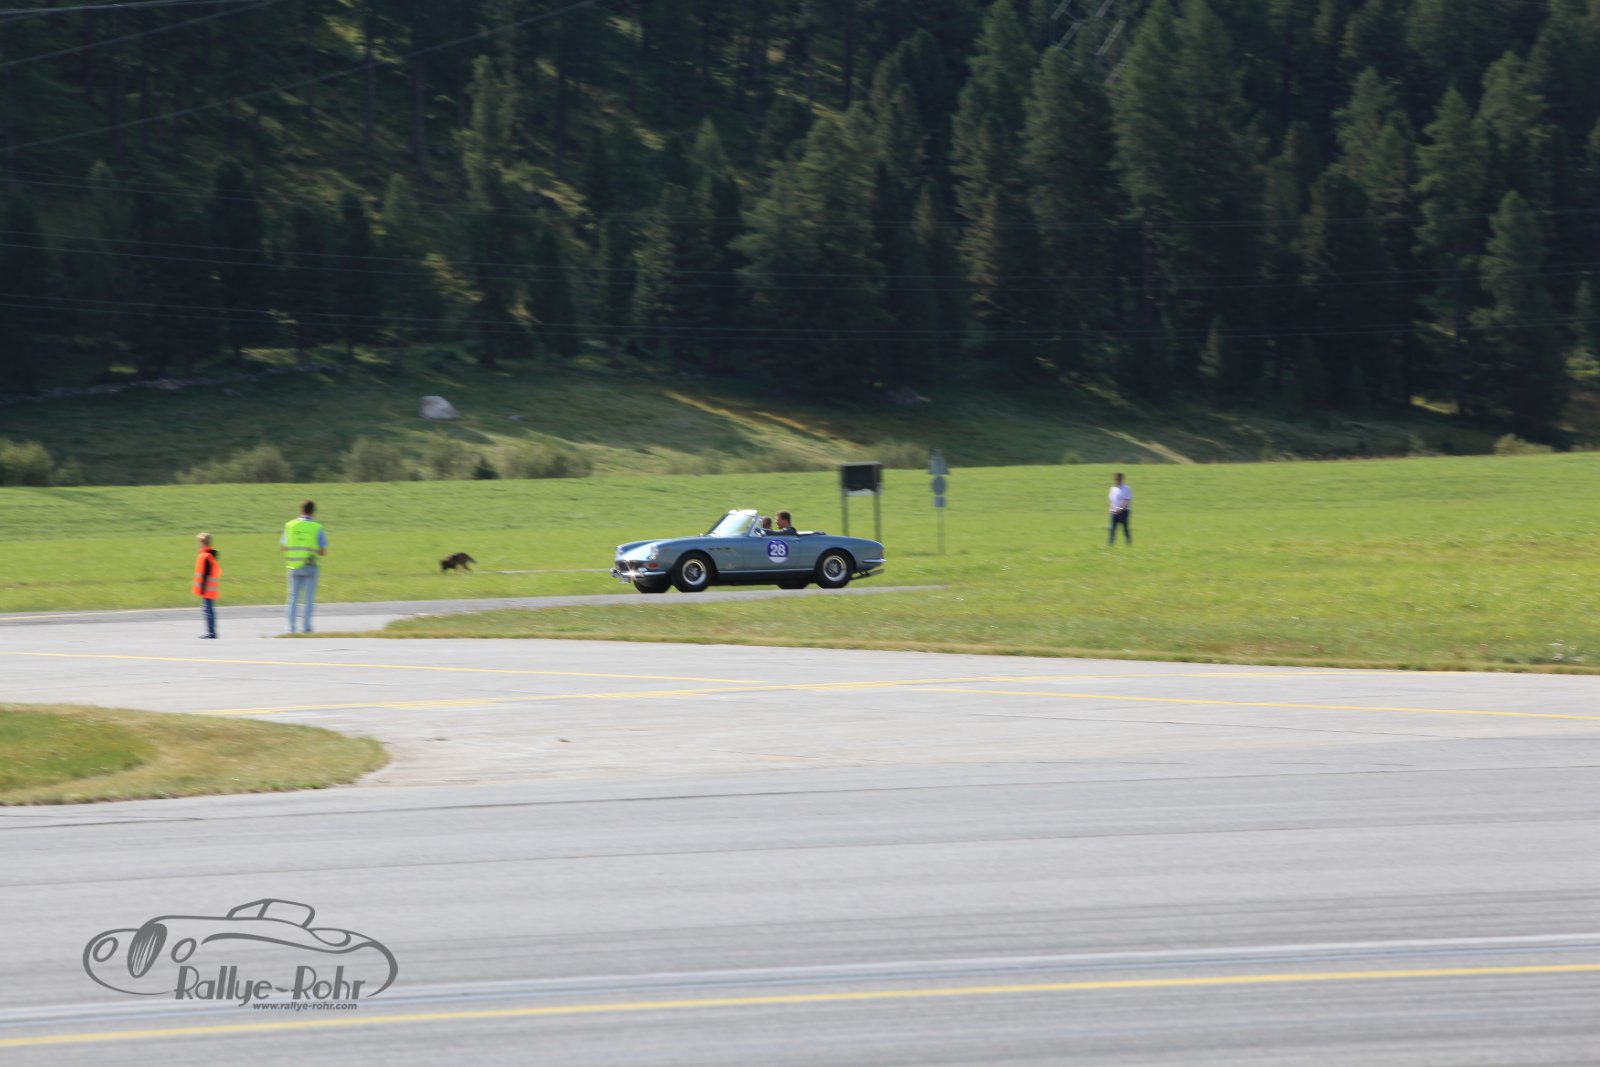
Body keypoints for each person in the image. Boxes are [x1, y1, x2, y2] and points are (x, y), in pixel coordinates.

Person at [281, 499, 327, 633]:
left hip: (293, 566)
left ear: (300, 510)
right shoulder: (317, 527)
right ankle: (306, 628)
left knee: (292, 598)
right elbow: (323, 551)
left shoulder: (290, 525)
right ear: (313, 512)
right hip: (310, 565)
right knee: (309, 599)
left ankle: (290, 628)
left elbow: (283, 547)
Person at [193, 533, 221, 639]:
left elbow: (205, 574)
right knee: (208, 610)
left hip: (207, 589)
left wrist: (202, 589)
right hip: (210, 588)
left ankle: (211, 632)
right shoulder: (209, 555)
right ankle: (211, 632)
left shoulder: (205, 556)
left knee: (208, 610)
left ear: (202, 543)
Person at [1108, 472, 1132, 546]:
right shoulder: (1113, 489)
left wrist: (1120, 508)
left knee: (1125, 529)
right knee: (1112, 529)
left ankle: (1128, 544)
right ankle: (1110, 545)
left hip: (1124, 512)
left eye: (1118, 479)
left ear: (1122, 479)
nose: (1117, 480)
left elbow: (1126, 500)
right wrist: (1111, 508)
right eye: (1115, 479)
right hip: (1114, 512)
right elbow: (1111, 500)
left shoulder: (1126, 488)